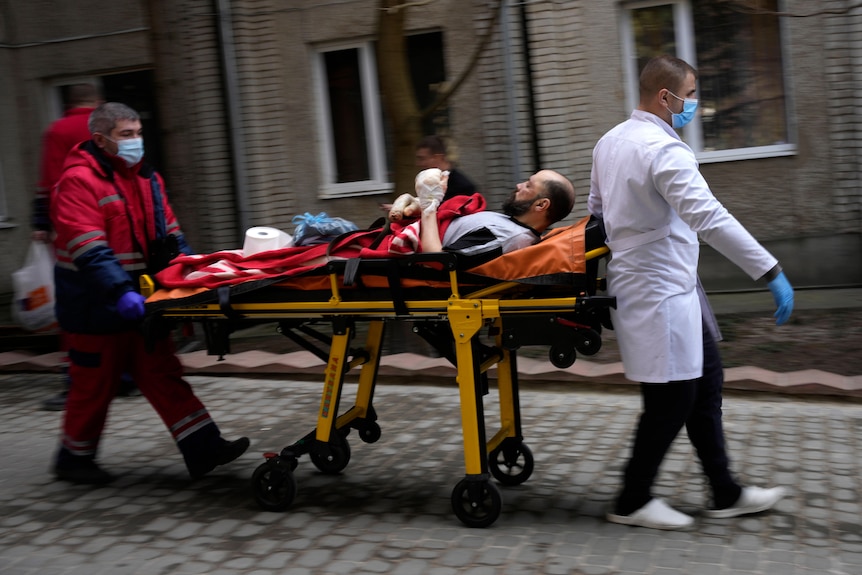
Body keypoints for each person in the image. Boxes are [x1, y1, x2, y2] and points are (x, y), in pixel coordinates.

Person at [588, 55, 794, 530]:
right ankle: (632, 498)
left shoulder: (609, 143)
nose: (695, 103)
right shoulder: (663, 151)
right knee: (674, 398)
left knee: (705, 386)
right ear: (666, 97)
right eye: (692, 93)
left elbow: (597, 214)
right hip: (661, 290)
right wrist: (770, 270)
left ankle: (725, 491)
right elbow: (710, 218)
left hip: (656, 286)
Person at [49, 102, 249, 484]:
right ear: (99, 140)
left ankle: (204, 447)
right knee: (94, 384)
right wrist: (122, 293)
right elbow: (89, 248)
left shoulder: (146, 178)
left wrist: (190, 269)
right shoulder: (78, 181)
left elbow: (169, 234)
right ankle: (73, 459)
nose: (136, 142)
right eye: (126, 135)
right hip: (94, 302)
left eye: (138, 133)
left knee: (162, 372)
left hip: (141, 299)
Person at [420, 168, 575, 262]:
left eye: (528, 185)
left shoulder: (505, 236)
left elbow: (436, 259)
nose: (518, 185)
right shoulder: (513, 228)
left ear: (541, 205)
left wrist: (429, 204)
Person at [415, 134, 478, 202]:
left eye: (422, 159)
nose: (418, 164)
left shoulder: (463, 187)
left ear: (438, 158)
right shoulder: (426, 183)